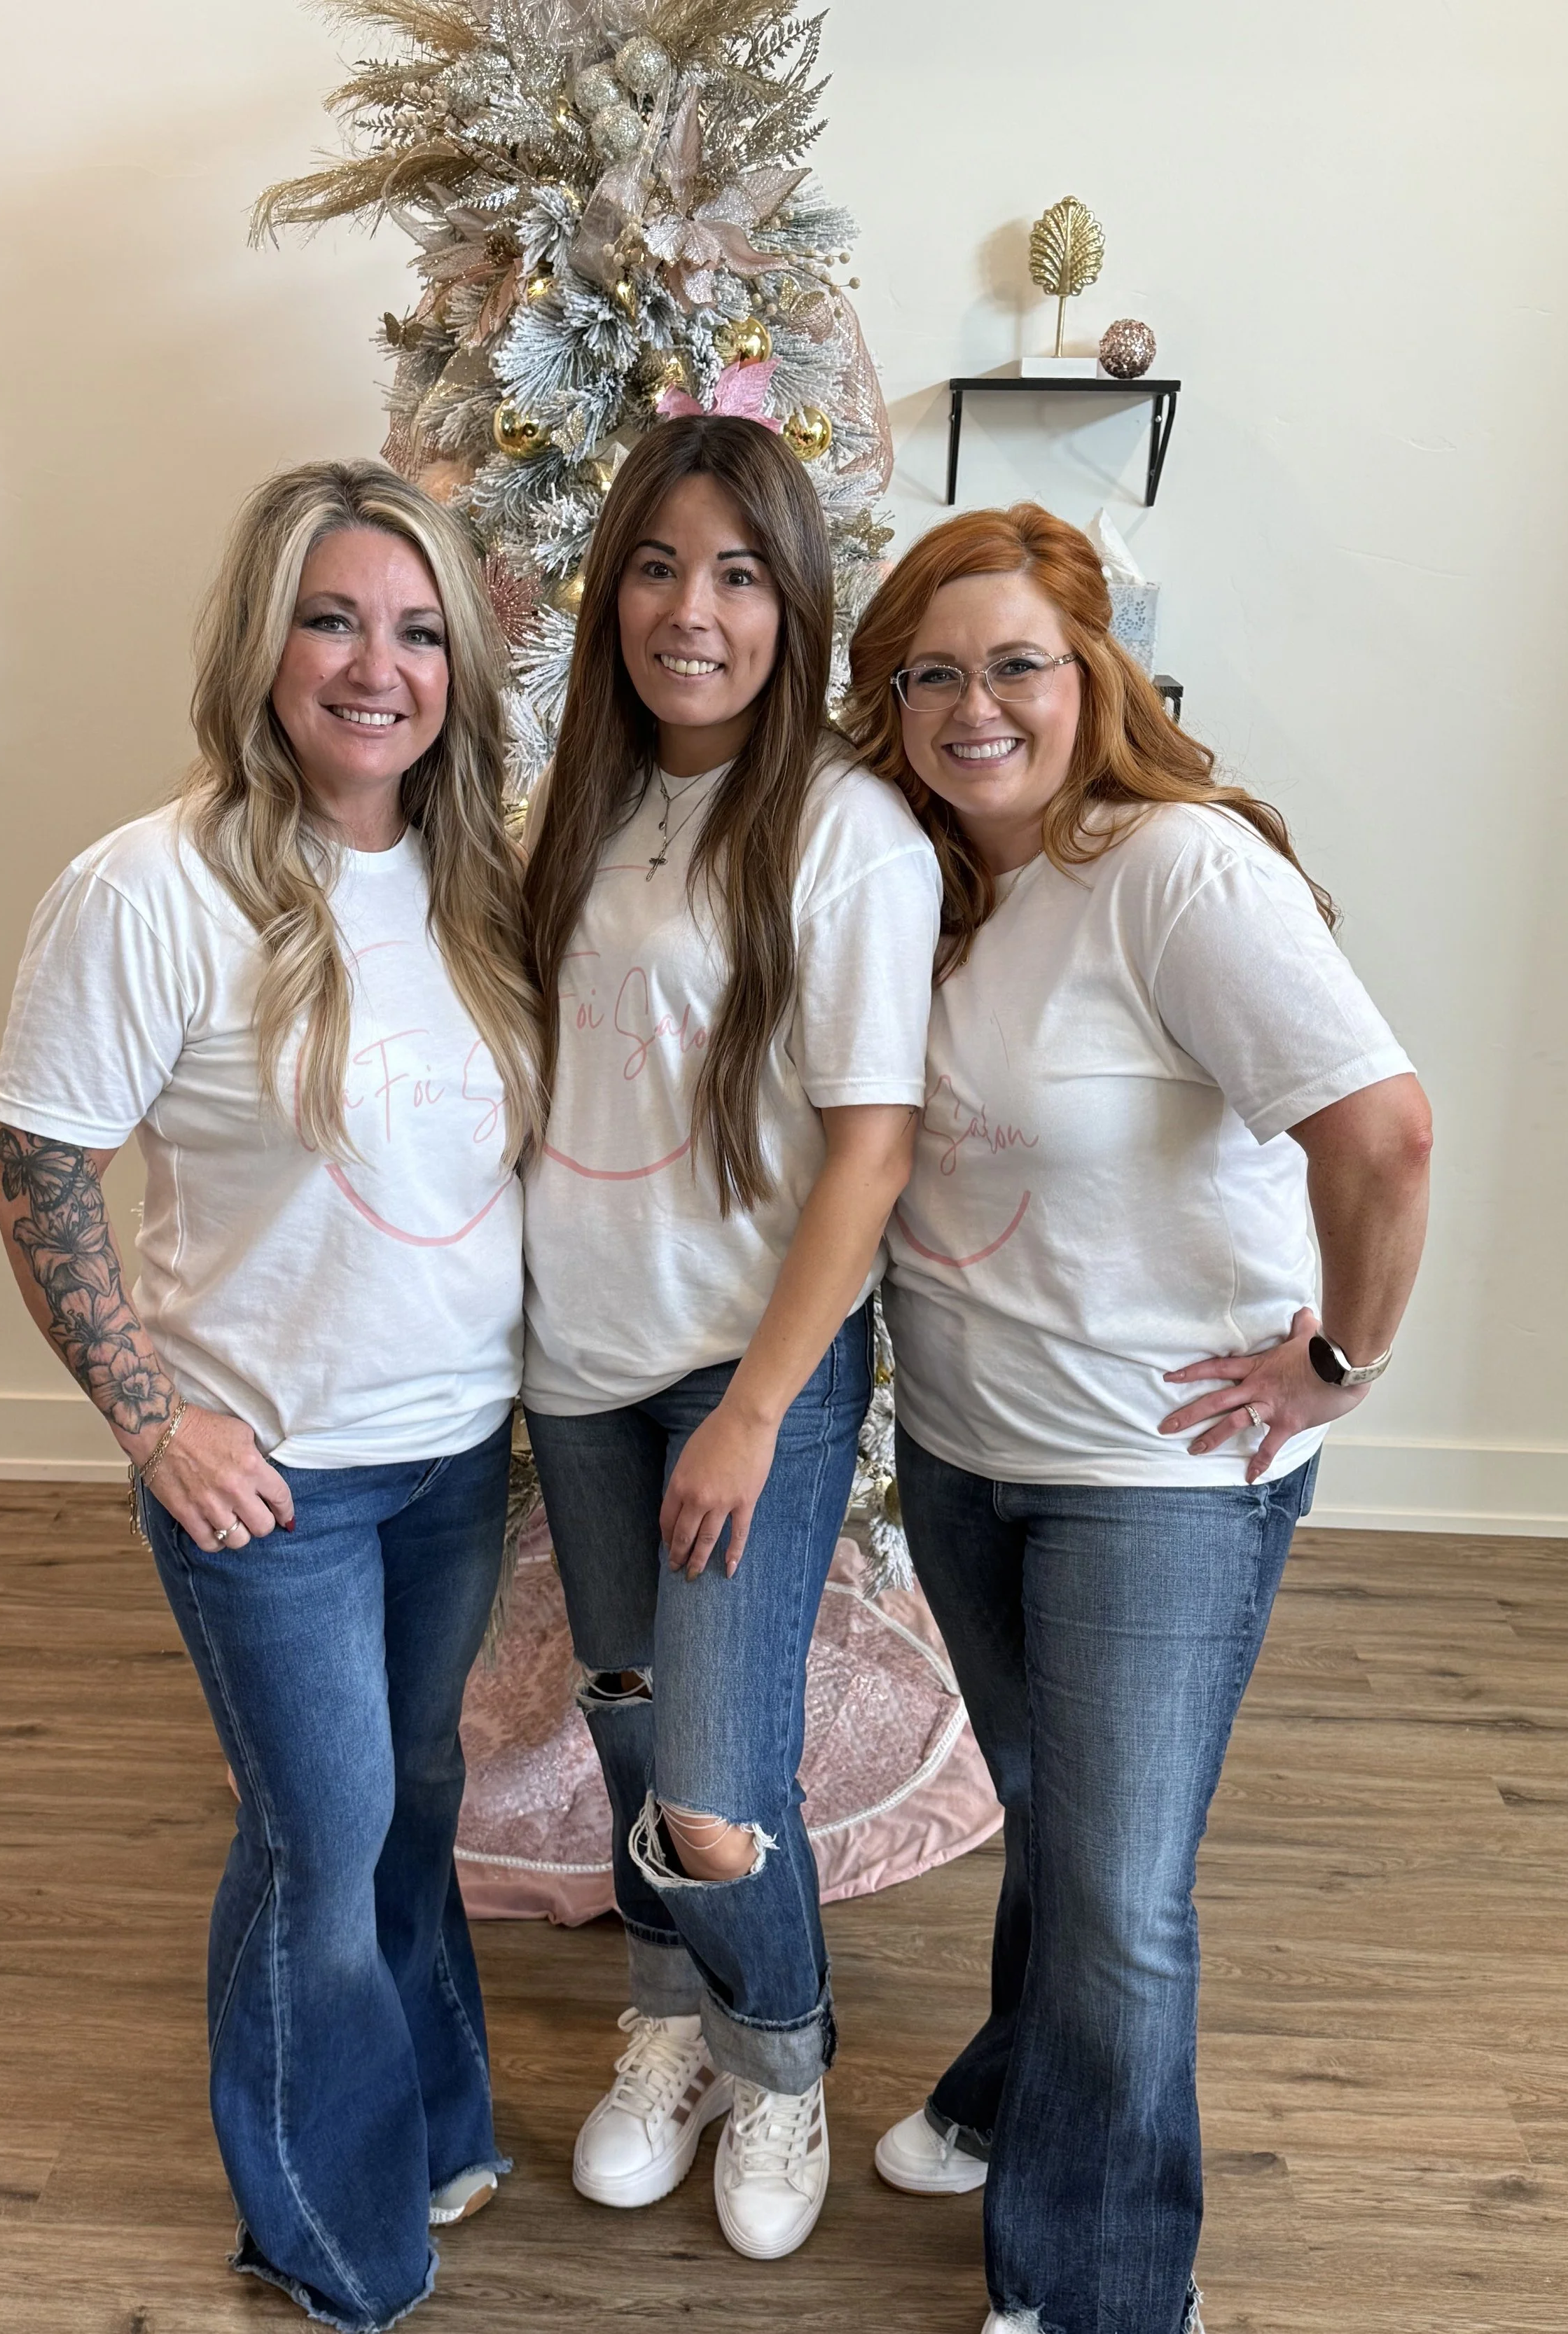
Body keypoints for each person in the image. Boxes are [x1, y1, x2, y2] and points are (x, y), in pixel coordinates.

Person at [842, 504, 1431, 2334]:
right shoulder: (925, 883)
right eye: (929, 673)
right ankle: (1023, 2078)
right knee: (1052, 1813)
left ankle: (1100, 2278)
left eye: (1013, 661)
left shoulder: (1173, 869)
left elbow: (1384, 1132)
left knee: (1115, 1887)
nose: (972, 706)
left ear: (1089, 672)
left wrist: (1336, 1358)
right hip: (964, 1450)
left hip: (1151, 1479)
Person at [0, 459, 541, 2333]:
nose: (373, 665)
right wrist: (152, 1418)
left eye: (413, 626)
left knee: (410, 1801)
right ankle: (326, 2225)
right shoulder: (150, 886)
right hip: (269, 1475)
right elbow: (37, 1167)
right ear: (261, 640)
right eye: (330, 616)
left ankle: (435, 2123)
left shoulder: (478, 880)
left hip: (456, 1449)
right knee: (320, 1836)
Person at [519, 414, 942, 2262]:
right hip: (576, 1353)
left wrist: (759, 1407)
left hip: (736, 1367)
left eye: (739, 572)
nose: (692, 609)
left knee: (710, 1784)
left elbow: (873, 1141)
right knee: (626, 1730)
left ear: (793, 600)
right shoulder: (584, 803)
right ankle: (676, 2025)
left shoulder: (844, 830)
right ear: (613, 583)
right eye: (660, 564)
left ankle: (781, 2063)